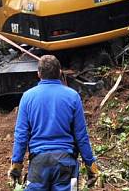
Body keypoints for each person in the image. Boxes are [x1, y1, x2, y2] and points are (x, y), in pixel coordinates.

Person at [8, 55, 99, 190]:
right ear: (60, 72)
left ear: (38, 74)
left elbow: (21, 135)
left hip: (38, 163)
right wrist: (90, 165)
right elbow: (81, 135)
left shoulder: (27, 97)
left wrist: (16, 165)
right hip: (66, 164)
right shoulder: (73, 96)